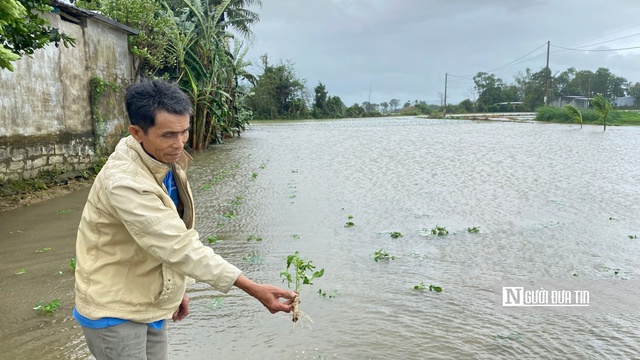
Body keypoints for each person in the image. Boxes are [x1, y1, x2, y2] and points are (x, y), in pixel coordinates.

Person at [73, 79, 296, 360]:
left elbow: (175, 229)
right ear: (137, 132)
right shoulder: (124, 182)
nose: (179, 144)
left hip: (150, 299)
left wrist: (177, 290)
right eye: (168, 135)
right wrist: (253, 288)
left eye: (184, 131)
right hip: (115, 309)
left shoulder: (166, 159)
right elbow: (177, 245)